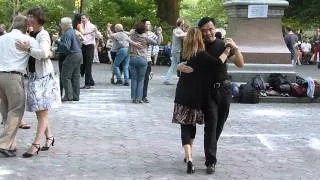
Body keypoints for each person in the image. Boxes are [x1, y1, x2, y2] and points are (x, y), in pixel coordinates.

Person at [178, 16, 244, 174]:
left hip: (224, 90)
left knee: (218, 126)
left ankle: (211, 149)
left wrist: (235, 48)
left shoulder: (223, 45)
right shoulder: (198, 47)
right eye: (204, 30)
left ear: (216, 28)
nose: (208, 33)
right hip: (207, 92)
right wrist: (180, 66)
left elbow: (240, 64)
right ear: (200, 32)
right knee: (211, 126)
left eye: (210, 29)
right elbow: (186, 63)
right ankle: (211, 161)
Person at [15, 7, 59, 158]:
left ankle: (36, 144)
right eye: (28, 16)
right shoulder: (31, 34)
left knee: (42, 112)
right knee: (39, 111)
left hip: (43, 77)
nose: (29, 18)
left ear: (39, 18)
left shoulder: (43, 34)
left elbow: (45, 54)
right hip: (34, 76)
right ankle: (50, 137)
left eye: (32, 16)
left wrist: (27, 49)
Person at [0, 15, 38, 157]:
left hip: (0, 75)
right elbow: (41, 55)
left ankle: (10, 144)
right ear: (26, 27)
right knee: (16, 110)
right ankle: (3, 143)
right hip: (14, 77)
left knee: (5, 110)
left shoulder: (1, 38)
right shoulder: (28, 40)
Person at [128, 22, 160, 103]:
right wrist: (159, 34)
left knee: (134, 79)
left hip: (133, 58)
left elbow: (126, 34)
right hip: (143, 59)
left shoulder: (132, 35)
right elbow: (157, 43)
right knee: (141, 80)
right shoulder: (146, 38)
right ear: (144, 30)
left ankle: (134, 98)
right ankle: (139, 98)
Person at [55, 17, 83, 101]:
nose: (60, 25)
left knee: (65, 76)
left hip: (72, 55)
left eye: (61, 24)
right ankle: (75, 96)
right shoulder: (74, 32)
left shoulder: (67, 33)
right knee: (75, 76)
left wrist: (57, 41)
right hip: (79, 54)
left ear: (65, 25)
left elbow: (66, 47)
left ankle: (68, 96)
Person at [142, 19, 162, 103]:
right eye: (147, 24)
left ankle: (144, 96)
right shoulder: (139, 33)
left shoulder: (152, 34)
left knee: (146, 78)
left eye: (149, 24)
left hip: (148, 59)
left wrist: (159, 33)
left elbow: (158, 42)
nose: (149, 25)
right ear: (143, 25)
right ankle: (137, 95)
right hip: (140, 58)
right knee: (139, 78)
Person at [164, 18, 187, 85]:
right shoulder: (179, 31)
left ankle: (167, 79)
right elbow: (185, 37)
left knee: (173, 65)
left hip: (173, 50)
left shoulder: (175, 30)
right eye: (183, 23)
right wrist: (188, 32)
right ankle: (183, 80)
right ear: (181, 24)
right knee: (183, 64)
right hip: (177, 51)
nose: (184, 24)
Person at [80, 14, 97, 89]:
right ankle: (91, 81)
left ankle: (87, 84)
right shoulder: (81, 25)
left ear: (87, 18)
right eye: (81, 18)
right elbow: (82, 33)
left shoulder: (92, 26)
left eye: (83, 18)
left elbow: (99, 36)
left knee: (88, 65)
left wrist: (96, 32)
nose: (82, 20)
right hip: (83, 46)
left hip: (90, 46)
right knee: (83, 64)